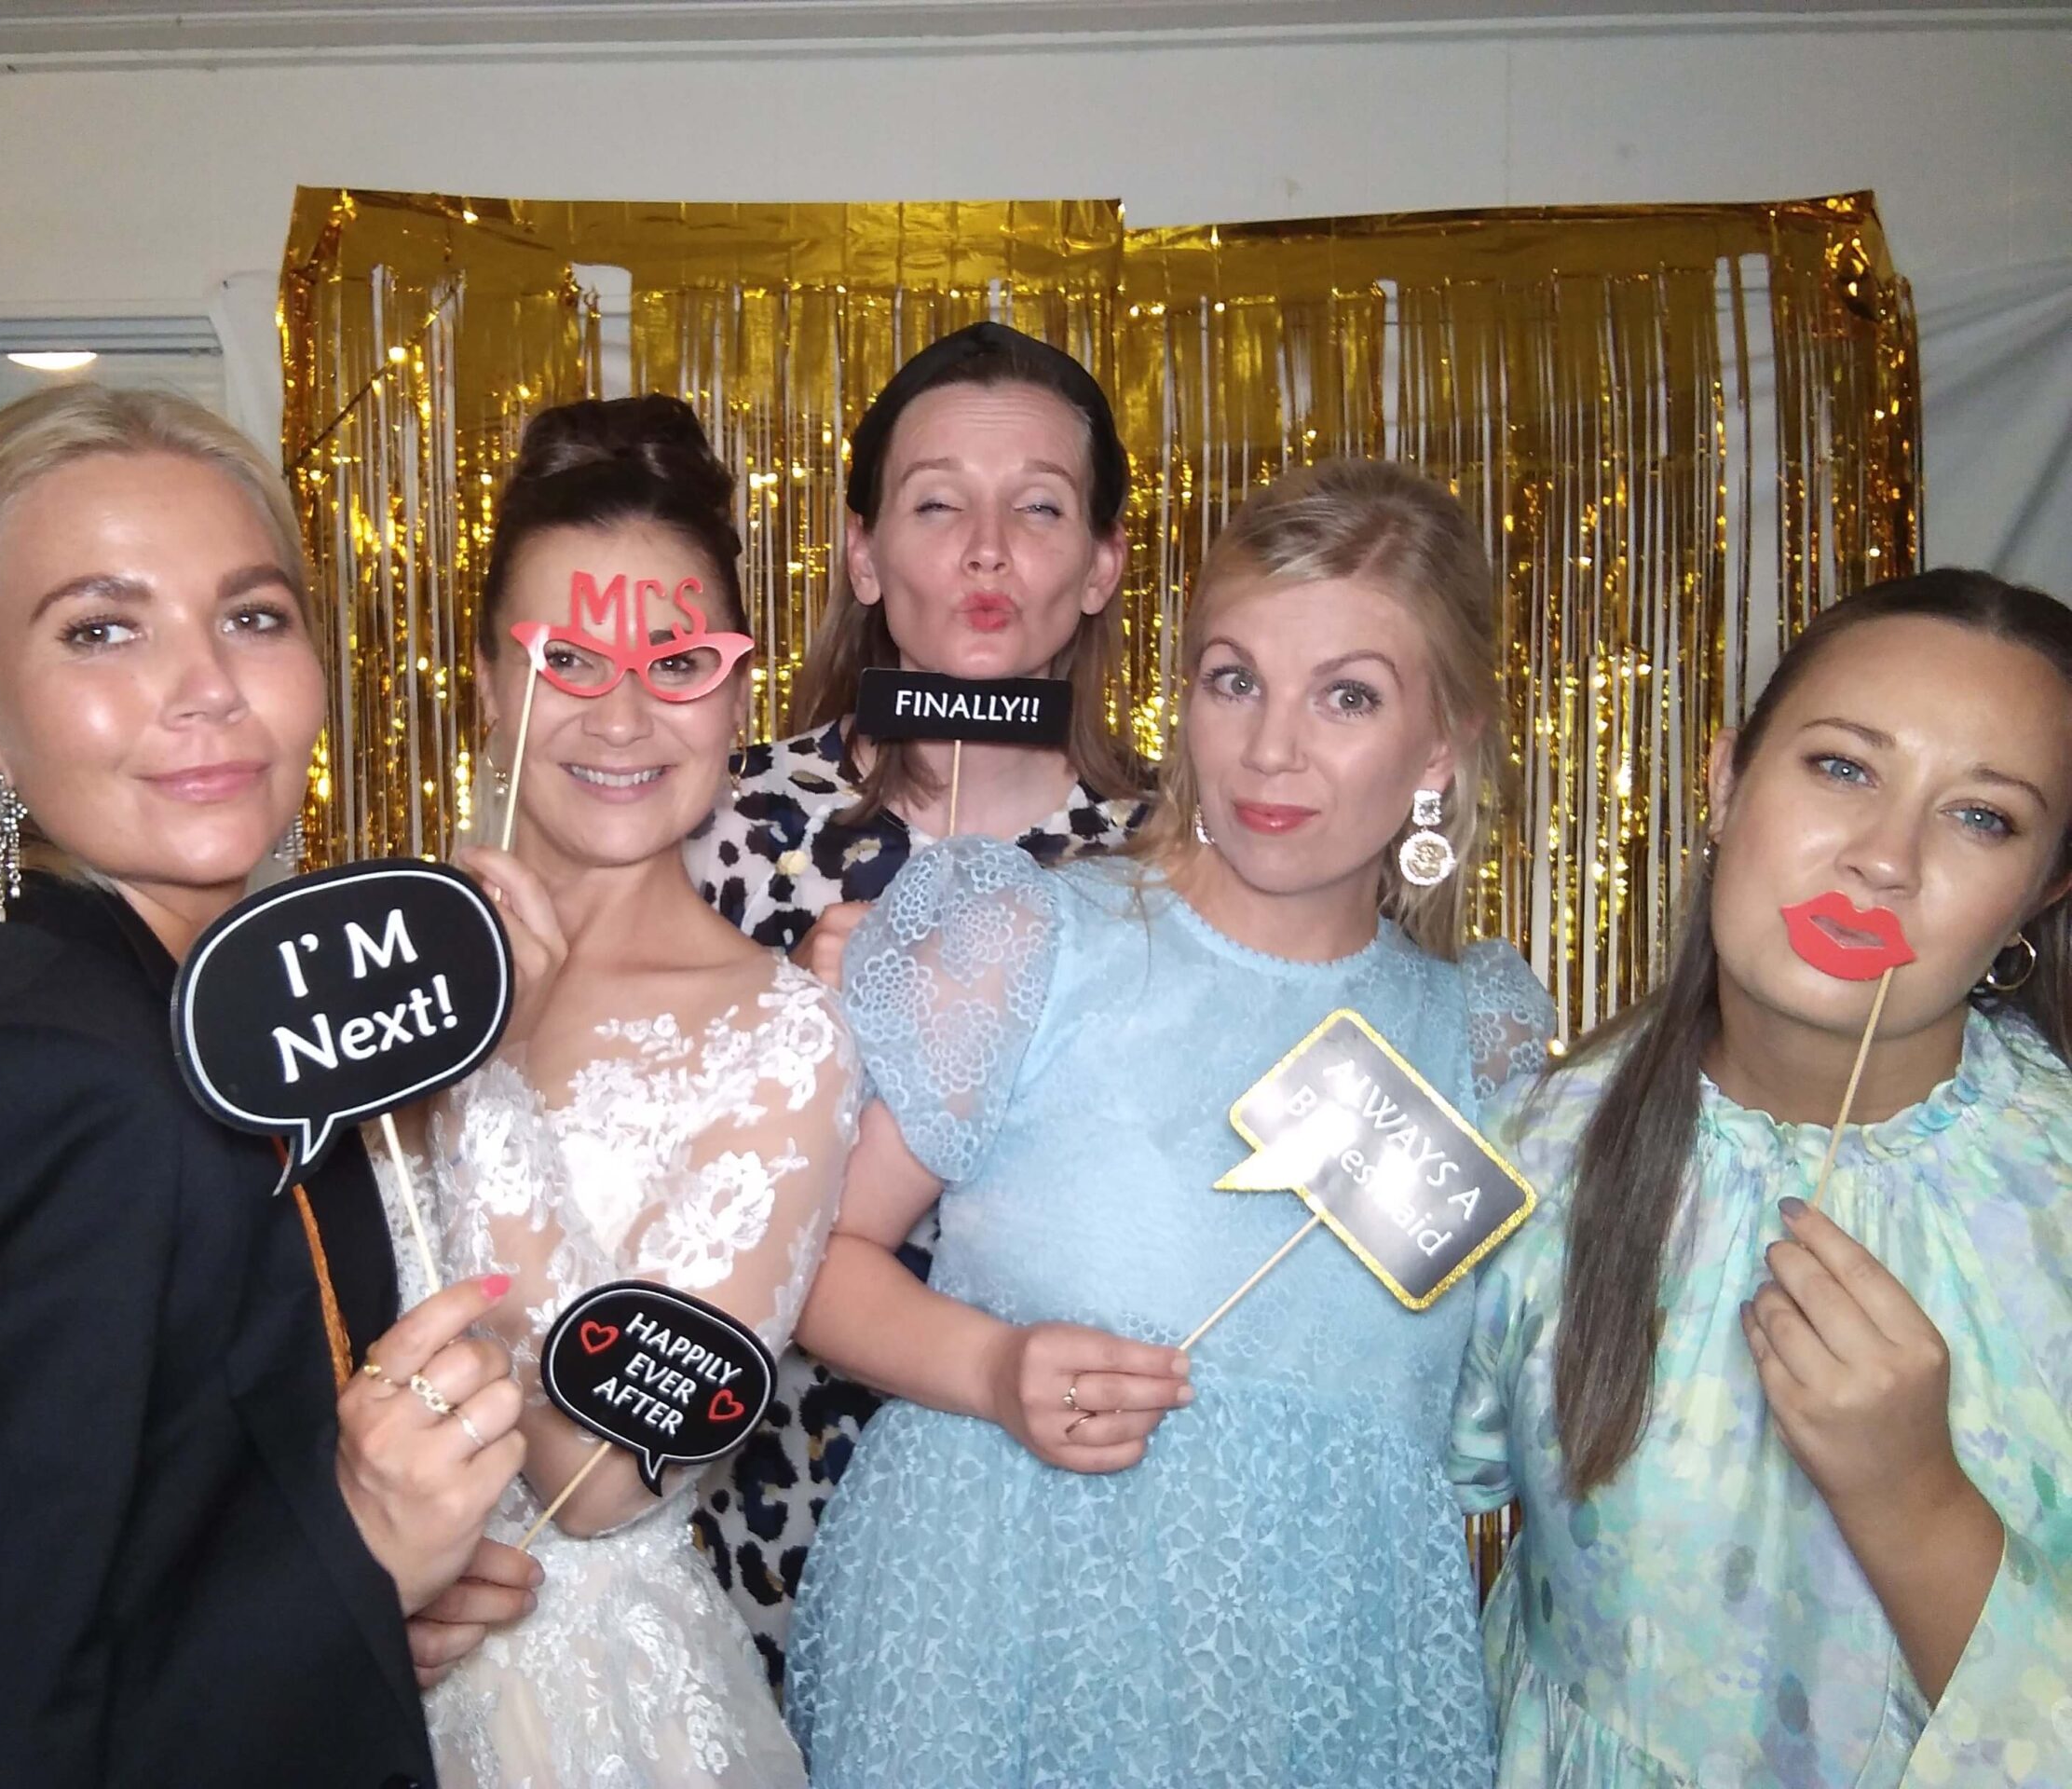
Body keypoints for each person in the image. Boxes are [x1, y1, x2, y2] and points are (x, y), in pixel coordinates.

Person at [0, 387, 534, 1789]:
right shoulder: (40, 1084)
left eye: (253, 615)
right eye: (102, 629)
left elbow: (126, 1547)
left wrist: (364, 1603)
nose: (207, 687)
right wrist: (359, 1559)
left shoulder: (223, 1032)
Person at [785, 459, 1557, 1786]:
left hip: (1325, 1671)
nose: (1271, 749)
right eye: (1234, 679)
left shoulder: (1478, 1039)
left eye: (1349, 697)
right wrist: (993, 1371)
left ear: (1441, 744)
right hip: (1003, 1634)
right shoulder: (1029, 938)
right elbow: (815, 1263)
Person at [1452, 569, 2072, 1785]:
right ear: (1727, 780)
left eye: (1981, 817)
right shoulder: (1534, 1152)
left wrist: (1914, 1500)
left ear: (2043, 890)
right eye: (1842, 767)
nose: (1884, 859)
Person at [392, 396, 859, 1787]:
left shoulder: (783, 1035)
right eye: (569, 659)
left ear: (738, 696)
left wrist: (479, 1079)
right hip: (302, 1661)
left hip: (583, 1708)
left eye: (680, 663)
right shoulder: (354, 963)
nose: (622, 715)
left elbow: (605, 1481)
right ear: (487, 683)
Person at [686, 322, 1150, 1681]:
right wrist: (792, 1026)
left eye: (1040, 508)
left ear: (1103, 565)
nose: (987, 551)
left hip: (1049, 1540)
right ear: (864, 554)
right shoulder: (721, 827)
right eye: (939, 505)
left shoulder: (1169, 870)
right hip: (747, 1511)